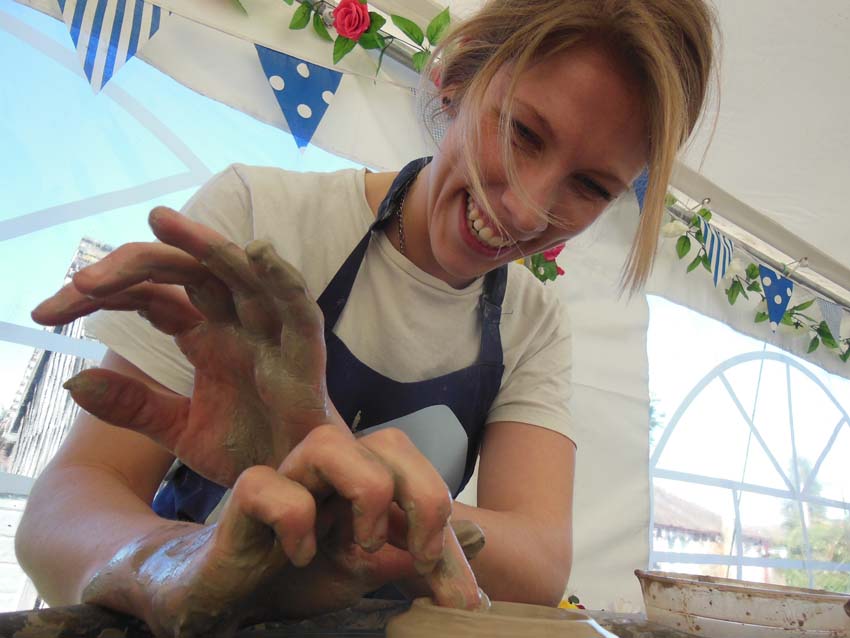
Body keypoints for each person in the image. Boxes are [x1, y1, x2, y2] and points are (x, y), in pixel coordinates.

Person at [16, 0, 717, 636]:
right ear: (456, 82)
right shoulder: (259, 221)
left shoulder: (533, 323)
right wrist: (167, 565)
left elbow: (537, 564)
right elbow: (63, 509)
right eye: (523, 133)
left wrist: (350, 495)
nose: (528, 207)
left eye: (590, 185)